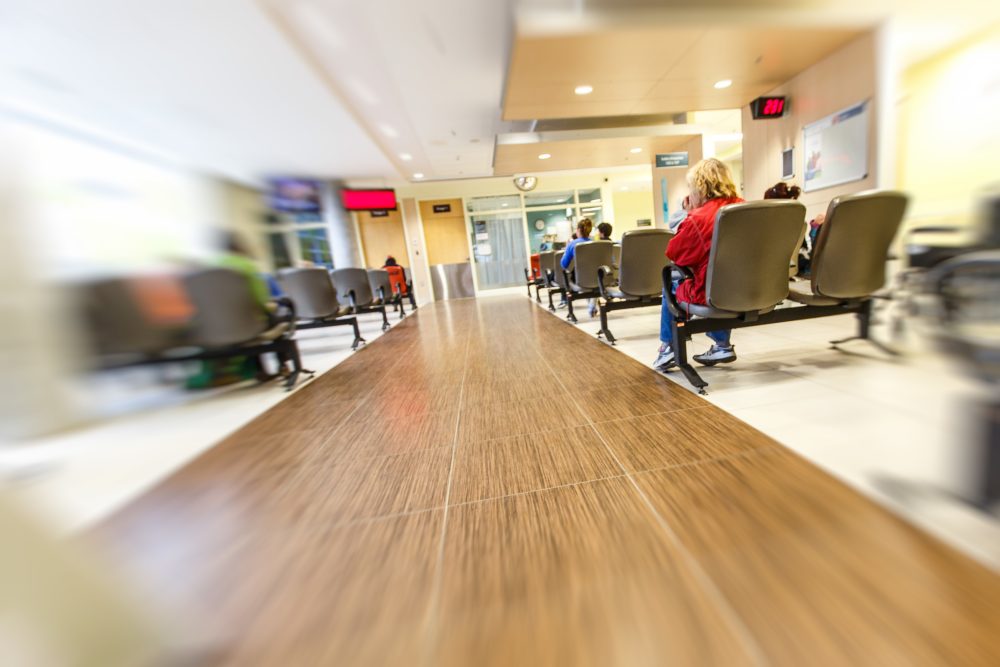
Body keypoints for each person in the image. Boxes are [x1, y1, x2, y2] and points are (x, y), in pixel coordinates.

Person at [653, 158, 744, 371]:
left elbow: (675, 254)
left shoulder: (699, 218)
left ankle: (668, 347)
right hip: (752, 288)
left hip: (714, 293)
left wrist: (689, 214)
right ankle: (722, 344)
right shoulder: (746, 208)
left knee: (672, 283)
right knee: (723, 276)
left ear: (700, 187)